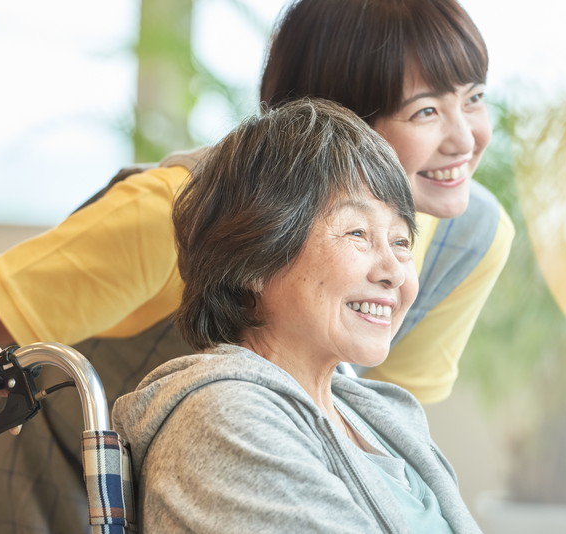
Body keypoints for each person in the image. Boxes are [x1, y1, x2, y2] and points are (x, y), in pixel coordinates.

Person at [0, 0, 512, 532]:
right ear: (330, 121)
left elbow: (371, 432)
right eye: (425, 112)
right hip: (54, 465)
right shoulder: (175, 212)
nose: (467, 139)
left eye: (475, 98)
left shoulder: (472, 234)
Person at [114, 96, 481, 533]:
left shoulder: (381, 416)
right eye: (357, 232)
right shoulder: (224, 420)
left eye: (401, 241)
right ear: (253, 259)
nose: (393, 272)